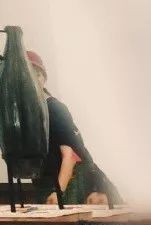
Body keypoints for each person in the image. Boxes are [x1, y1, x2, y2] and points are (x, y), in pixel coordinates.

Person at [26, 51, 121, 206]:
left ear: (44, 78)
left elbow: (70, 156)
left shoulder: (53, 108)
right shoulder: (29, 115)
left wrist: (58, 192)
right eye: (27, 75)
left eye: (37, 74)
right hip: (49, 186)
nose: (33, 80)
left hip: (72, 185)